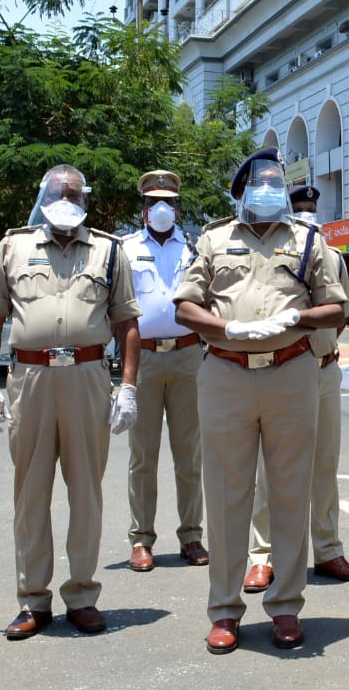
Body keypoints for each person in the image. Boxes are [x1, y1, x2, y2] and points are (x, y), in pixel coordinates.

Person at [174, 147, 347, 655]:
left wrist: (297, 319)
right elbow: (185, 306)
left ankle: (286, 606)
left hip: (292, 371)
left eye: (277, 180)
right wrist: (230, 327)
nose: (271, 188)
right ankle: (225, 609)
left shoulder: (309, 239)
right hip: (225, 372)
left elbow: (336, 307)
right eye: (261, 181)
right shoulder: (213, 238)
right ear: (241, 191)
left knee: (291, 491)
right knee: (227, 494)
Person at [0, 164, 142, 639]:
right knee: (30, 491)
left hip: (88, 376)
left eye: (74, 192)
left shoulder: (110, 252)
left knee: (86, 490)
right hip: (29, 377)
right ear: (43, 195)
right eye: (57, 191)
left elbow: (127, 323)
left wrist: (127, 387)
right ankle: (33, 600)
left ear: (85, 198)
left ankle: (83, 595)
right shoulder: (14, 246)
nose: (66, 198)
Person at [244, 183, 349, 594]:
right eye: (298, 208)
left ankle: (328, 549)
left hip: (322, 367)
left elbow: (341, 312)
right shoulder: (264, 253)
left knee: (324, 463)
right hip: (278, 370)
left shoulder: (330, 254)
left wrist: (322, 345)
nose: (306, 214)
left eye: (311, 208)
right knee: (270, 468)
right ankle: (262, 556)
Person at [123, 170, 208, 573]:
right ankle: (141, 539)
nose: (161, 208)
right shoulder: (125, 249)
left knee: (189, 453)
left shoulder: (194, 249)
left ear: (177, 208)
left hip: (188, 356)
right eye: (154, 201)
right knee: (143, 454)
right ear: (143, 209)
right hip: (144, 358)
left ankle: (192, 536)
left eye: (169, 202)